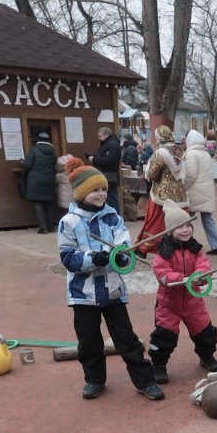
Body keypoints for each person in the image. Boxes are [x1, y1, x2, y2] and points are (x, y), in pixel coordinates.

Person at [57, 163, 164, 401]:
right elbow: (68, 258)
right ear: (81, 193)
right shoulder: (69, 222)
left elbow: (123, 247)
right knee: (88, 341)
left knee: (126, 339)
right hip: (83, 295)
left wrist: (122, 255)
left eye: (104, 189)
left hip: (113, 291)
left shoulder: (113, 218)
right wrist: (92, 258)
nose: (101, 194)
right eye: (95, 190)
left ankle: (145, 381)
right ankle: (94, 380)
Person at [148, 200, 217, 385]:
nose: (186, 230)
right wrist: (182, 278)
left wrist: (200, 276)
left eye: (188, 225)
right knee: (164, 337)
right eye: (180, 227)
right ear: (170, 231)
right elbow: (162, 274)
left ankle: (207, 356)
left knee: (205, 333)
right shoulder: (164, 253)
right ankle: (159, 365)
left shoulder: (196, 249)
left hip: (193, 302)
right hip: (168, 304)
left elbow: (204, 266)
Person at [136, 125, 189, 255]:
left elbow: (153, 174)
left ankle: (146, 247)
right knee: (178, 222)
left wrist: (147, 174)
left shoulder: (160, 153)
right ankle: (175, 248)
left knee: (156, 221)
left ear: (159, 138)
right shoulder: (178, 150)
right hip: (179, 193)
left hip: (162, 194)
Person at [183, 129, 217, 255]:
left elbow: (190, 175)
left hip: (194, 192)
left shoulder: (191, 154)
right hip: (206, 192)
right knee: (208, 220)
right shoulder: (206, 154)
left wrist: (182, 187)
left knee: (185, 220)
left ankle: (185, 244)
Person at [22, 132, 57, 233]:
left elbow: (28, 165)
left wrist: (23, 162)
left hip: (35, 179)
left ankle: (43, 227)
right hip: (49, 179)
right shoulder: (53, 152)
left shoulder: (34, 150)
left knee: (38, 202)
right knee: (49, 203)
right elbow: (54, 165)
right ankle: (51, 227)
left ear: (38, 140)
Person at [90, 127, 122, 212]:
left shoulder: (112, 145)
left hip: (109, 176)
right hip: (108, 176)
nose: (99, 138)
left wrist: (94, 159)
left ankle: (114, 217)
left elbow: (110, 160)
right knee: (109, 199)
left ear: (106, 135)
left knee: (111, 199)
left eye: (100, 136)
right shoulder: (107, 144)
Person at [55, 155, 77, 219]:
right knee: (72, 212)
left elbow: (55, 182)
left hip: (63, 198)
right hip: (73, 198)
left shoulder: (59, 176)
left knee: (64, 213)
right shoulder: (74, 174)